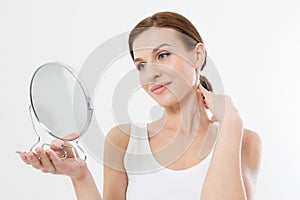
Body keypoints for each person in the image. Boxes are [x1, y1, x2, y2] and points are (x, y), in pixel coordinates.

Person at [19, 11, 262, 200]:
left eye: (163, 55)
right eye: (141, 65)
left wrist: (231, 122)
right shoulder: (123, 141)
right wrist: (80, 176)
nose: (151, 73)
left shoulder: (244, 141)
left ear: (198, 56)